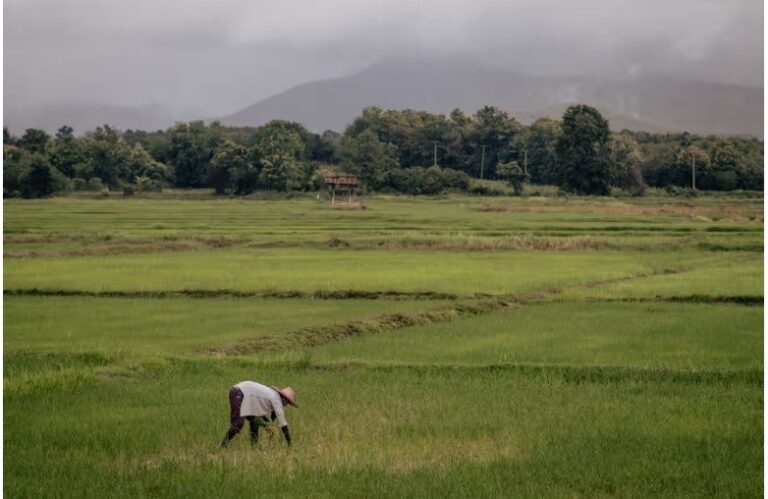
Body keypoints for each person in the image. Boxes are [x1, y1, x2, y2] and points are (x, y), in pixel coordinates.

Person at [220, 381, 297, 448]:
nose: (286, 405)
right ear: (283, 398)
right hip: (239, 392)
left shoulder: (273, 395)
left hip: (245, 395)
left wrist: (273, 414)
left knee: (255, 421)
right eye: (287, 402)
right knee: (238, 424)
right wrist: (289, 443)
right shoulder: (276, 399)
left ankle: (254, 448)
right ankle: (222, 447)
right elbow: (283, 425)